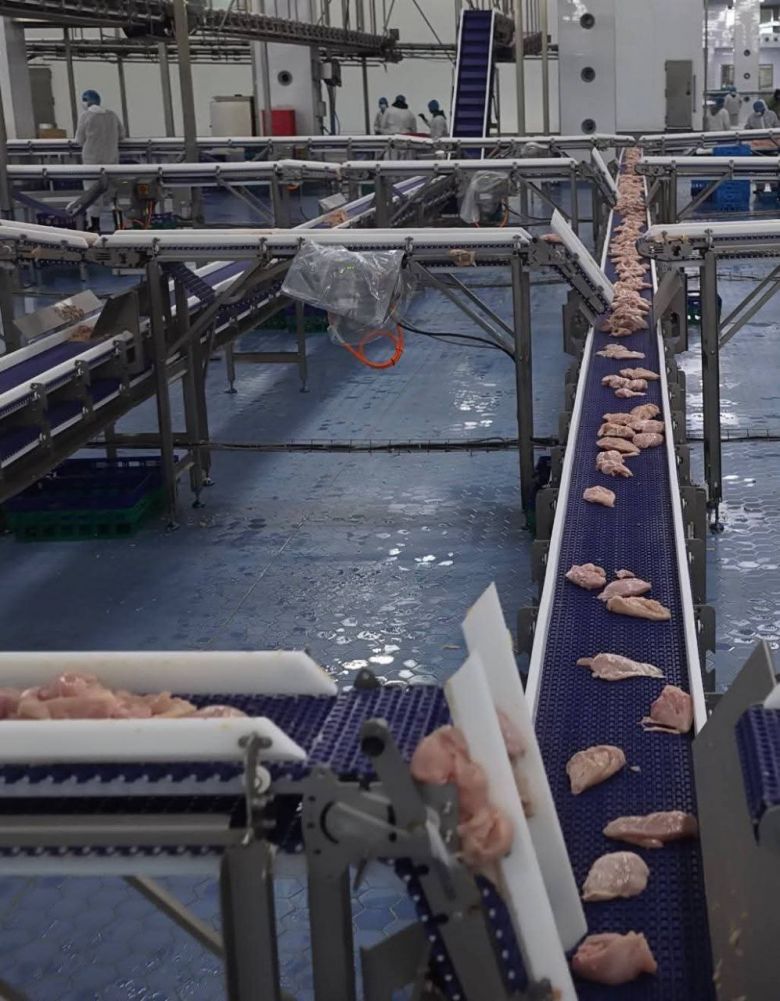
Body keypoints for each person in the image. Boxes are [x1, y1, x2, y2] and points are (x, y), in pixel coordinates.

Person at [75, 90, 125, 231]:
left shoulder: (86, 116)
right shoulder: (112, 115)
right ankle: (118, 225)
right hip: (111, 160)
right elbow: (122, 135)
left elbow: (79, 140)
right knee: (112, 193)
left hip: (91, 161)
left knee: (92, 194)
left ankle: (94, 226)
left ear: (86, 101)